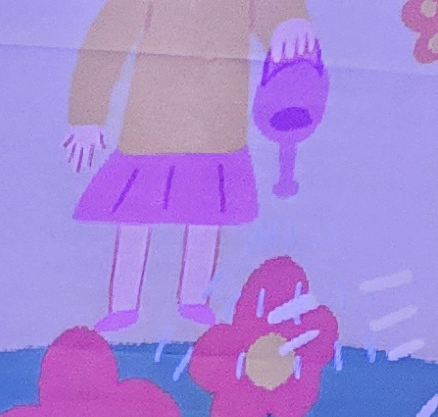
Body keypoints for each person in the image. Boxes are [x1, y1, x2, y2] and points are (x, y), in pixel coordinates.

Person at [63, 0, 321, 334]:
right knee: (136, 214)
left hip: (218, 125)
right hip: (150, 124)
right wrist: (86, 116)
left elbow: (274, 14)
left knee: (207, 213)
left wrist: (291, 20)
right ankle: (123, 304)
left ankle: (194, 299)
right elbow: (108, 38)